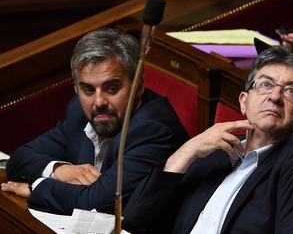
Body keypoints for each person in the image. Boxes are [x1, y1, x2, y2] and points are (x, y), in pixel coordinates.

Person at [122, 45, 293, 234]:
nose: (275, 96)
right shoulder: (212, 153)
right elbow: (135, 221)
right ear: (243, 102)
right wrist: (186, 151)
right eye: (265, 84)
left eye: (291, 91)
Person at [0, 28, 189, 215]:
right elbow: (19, 159)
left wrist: (36, 187)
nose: (99, 102)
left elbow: (95, 202)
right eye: (88, 90)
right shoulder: (78, 112)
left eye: (112, 88)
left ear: (138, 87)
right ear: (76, 89)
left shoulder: (154, 130)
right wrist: (58, 170)